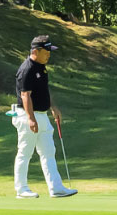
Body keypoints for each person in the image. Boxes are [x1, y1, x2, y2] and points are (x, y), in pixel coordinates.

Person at [12, 34, 77, 199]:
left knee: (48, 152)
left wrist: (53, 107)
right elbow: (25, 95)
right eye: (46, 50)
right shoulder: (26, 69)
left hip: (42, 116)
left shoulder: (42, 68)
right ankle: (21, 189)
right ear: (36, 51)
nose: (49, 54)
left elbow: (44, 91)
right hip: (28, 116)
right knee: (25, 152)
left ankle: (56, 188)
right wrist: (31, 118)